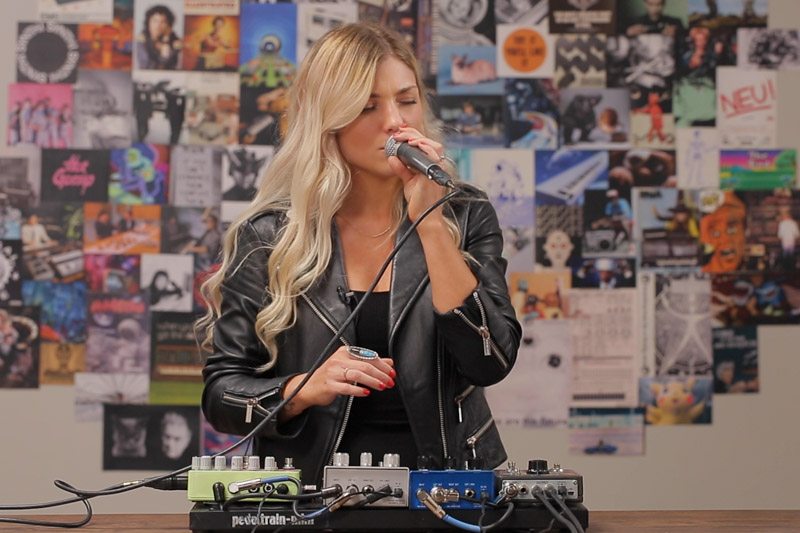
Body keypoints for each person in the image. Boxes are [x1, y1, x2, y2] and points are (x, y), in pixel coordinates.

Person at [199, 23, 520, 486]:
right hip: (311, 494)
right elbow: (221, 396)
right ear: (327, 120)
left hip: (448, 490)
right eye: (369, 106)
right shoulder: (269, 235)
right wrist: (303, 388)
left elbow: (490, 361)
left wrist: (431, 224)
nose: (395, 121)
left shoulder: (465, 214)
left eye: (407, 100)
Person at [136, 5, 182, 70]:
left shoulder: (175, 41)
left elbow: (170, 65)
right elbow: (147, 66)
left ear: (168, 24)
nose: (158, 25)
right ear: (148, 22)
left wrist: (166, 40)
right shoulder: (141, 39)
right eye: (155, 21)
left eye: (163, 22)